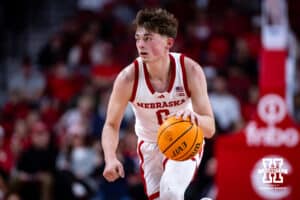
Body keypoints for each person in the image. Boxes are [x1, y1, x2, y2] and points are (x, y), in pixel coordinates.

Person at [101, 8, 215, 200]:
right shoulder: (127, 78)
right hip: (150, 145)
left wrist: (195, 120)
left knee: (170, 193)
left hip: (185, 137)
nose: (141, 44)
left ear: (168, 42)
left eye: (148, 38)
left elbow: (210, 129)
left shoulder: (190, 71)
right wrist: (110, 158)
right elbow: (111, 124)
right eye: (138, 38)